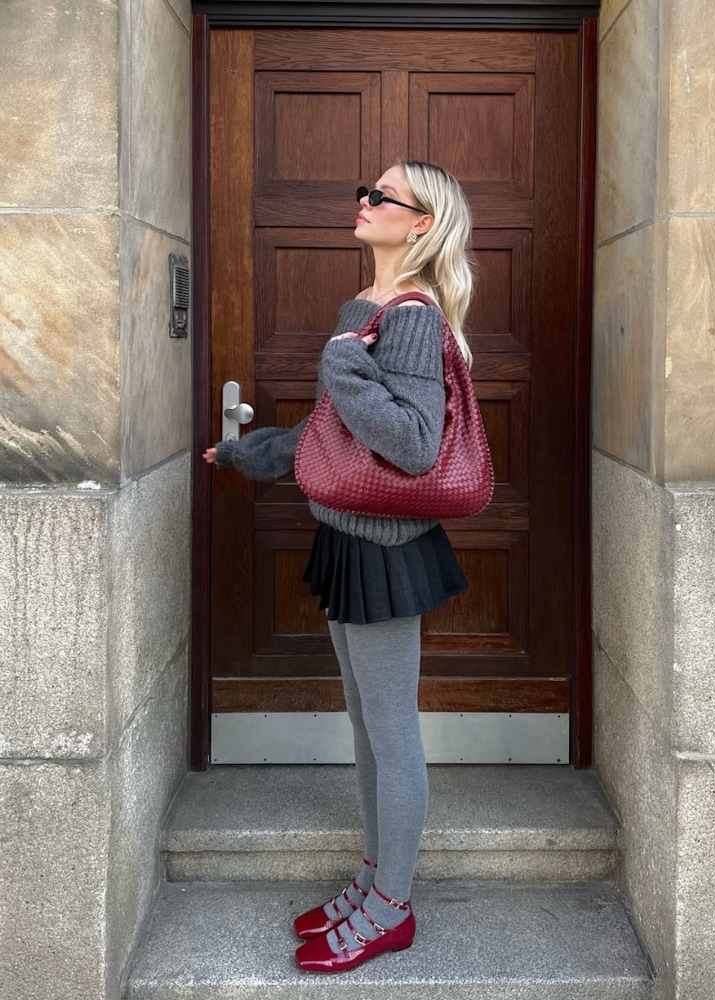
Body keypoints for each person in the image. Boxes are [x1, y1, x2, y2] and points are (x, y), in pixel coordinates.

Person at [202, 160, 475, 973]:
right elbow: (338, 428)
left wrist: (345, 365)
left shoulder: (413, 317)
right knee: (365, 726)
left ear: (421, 223)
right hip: (348, 540)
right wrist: (254, 453)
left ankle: (392, 909)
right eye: (365, 189)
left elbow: (413, 443)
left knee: (390, 732)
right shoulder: (365, 310)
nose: (364, 201)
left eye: (381, 196)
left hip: (388, 551)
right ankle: (372, 880)